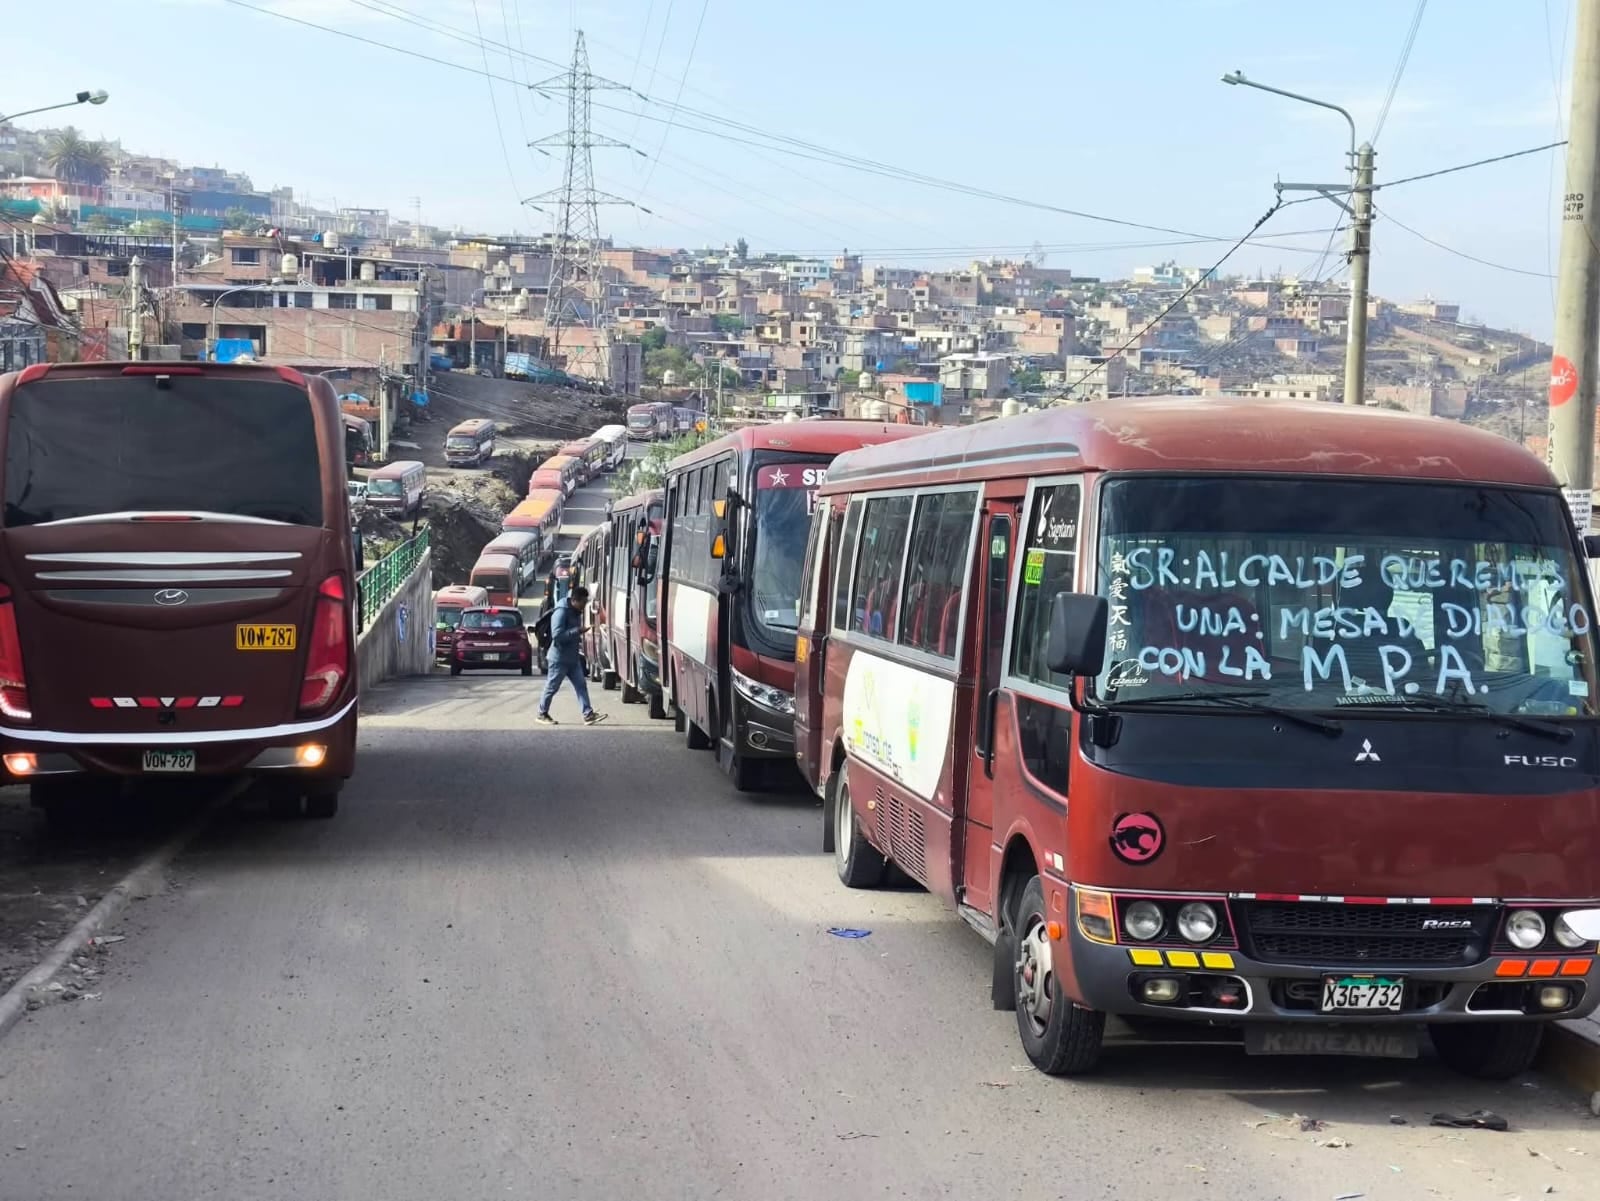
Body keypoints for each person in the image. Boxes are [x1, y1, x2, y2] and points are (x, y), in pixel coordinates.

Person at [537, 585, 605, 726]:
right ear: (574, 600)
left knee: (581, 685)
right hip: (559, 659)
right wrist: (577, 631)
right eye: (583, 603)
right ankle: (542, 713)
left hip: (573, 658)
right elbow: (557, 635)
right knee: (552, 687)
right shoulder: (561, 612)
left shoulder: (575, 611)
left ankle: (588, 714)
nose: (584, 606)